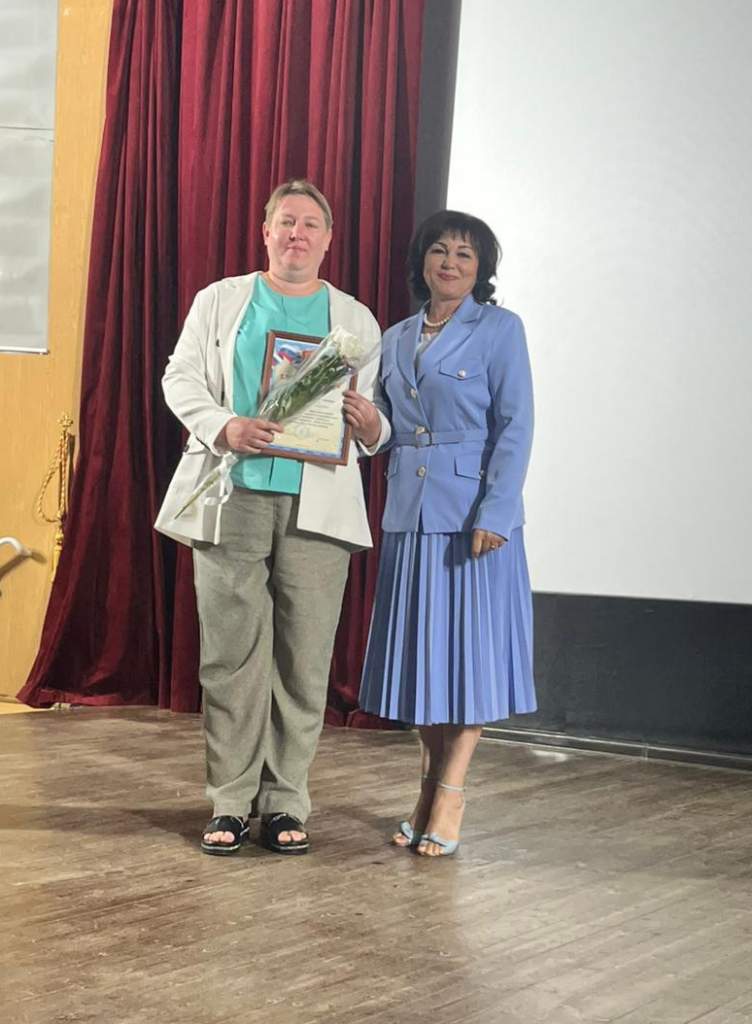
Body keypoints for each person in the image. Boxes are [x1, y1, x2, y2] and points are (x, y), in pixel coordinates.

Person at [155, 180, 386, 856]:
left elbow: (370, 419)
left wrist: (372, 424)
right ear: (265, 232)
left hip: (319, 505)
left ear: (328, 239)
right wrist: (224, 426)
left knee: (304, 658)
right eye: (286, 221)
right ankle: (230, 802)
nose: (297, 234)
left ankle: (285, 802)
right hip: (234, 494)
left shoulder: (355, 319)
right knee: (230, 656)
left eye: (311, 224)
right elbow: (179, 378)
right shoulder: (220, 300)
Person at [358, 209, 536, 856]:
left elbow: (516, 426)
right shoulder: (396, 336)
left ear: (481, 268)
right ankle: (428, 787)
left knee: (470, 664)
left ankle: (451, 794)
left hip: (472, 521)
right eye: (440, 250)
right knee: (422, 666)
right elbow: (387, 428)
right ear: (422, 261)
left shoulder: (500, 330)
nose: (451, 263)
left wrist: (496, 512)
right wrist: (366, 424)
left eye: (465, 253)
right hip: (410, 516)